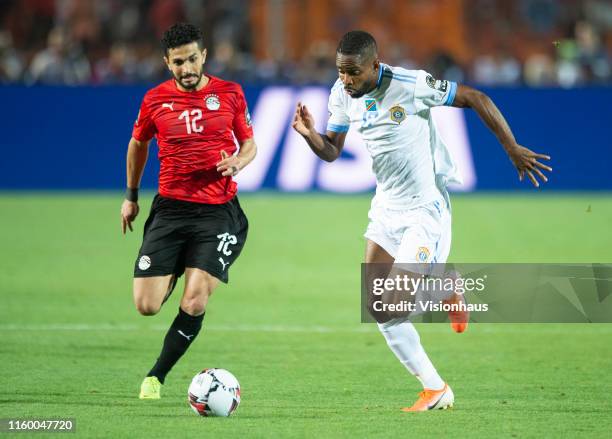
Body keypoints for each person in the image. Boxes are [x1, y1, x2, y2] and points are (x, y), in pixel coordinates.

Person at [292, 30, 551, 412]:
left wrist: (511, 148)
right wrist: (309, 134)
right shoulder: (342, 93)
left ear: (374, 66)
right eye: (341, 72)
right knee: (378, 308)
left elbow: (476, 97)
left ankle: (447, 286)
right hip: (385, 209)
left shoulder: (411, 84)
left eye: (353, 73)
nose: (346, 80)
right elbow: (331, 151)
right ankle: (435, 389)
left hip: (424, 210)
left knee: (394, 301)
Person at [120, 23, 257, 400]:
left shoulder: (230, 94)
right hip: (170, 211)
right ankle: (180, 262)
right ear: (168, 62)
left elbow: (249, 144)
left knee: (194, 299)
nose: (187, 68)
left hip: (218, 212)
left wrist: (238, 163)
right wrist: (131, 196)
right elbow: (138, 143)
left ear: (204, 56)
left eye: (193, 59)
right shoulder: (154, 101)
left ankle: (156, 377)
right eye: (179, 62)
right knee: (146, 306)